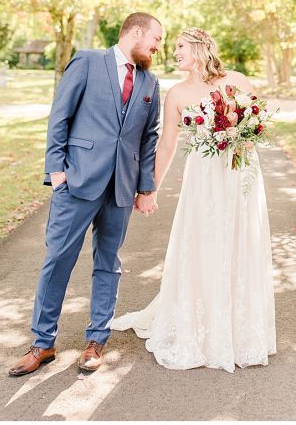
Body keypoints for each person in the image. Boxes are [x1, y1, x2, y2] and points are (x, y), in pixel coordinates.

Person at [111, 27, 277, 372]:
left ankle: (241, 330)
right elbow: (167, 146)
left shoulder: (237, 79)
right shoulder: (176, 94)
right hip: (204, 179)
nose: (175, 53)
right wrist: (149, 189)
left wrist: (242, 135)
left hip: (240, 173)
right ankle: (202, 329)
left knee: (240, 241)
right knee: (203, 243)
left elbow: (258, 122)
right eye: (174, 48)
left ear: (201, 48)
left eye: (181, 47)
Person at [9, 12, 163, 376]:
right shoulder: (88, 61)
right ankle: (43, 343)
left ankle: (96, 341)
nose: (159, 46)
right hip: (77, 181)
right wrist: (57, 173)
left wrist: (145, 187)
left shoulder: (150, 82)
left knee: (108, 263)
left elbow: (149, 139)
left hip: (121, 188)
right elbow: (59, 116)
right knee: (58, 258)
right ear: (136, 32)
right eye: (156, 38)